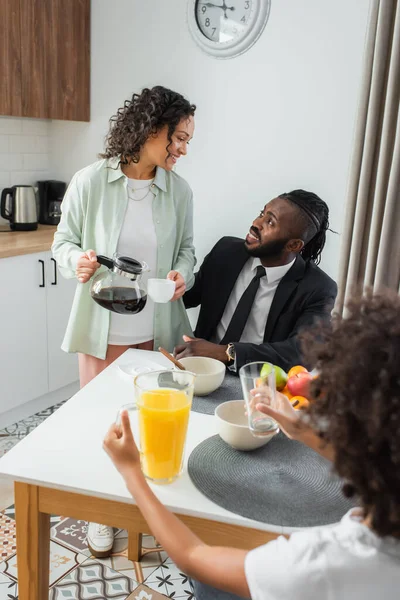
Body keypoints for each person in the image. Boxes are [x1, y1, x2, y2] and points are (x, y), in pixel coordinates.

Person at [104, 291, 400, 599]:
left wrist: (131, 473)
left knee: (211, 581)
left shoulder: (320, 566)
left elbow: (192, 557)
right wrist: (302, 431)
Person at [52, 85, 196, 558]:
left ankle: (145, 511)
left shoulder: (179, 191)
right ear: (151, 130)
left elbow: (187, 251)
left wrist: (182, 274)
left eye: (187, 140)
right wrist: (78, 261)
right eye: (177, 138)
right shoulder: (91, 180)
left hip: (157, 333)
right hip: (103, 329)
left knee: (149, 429)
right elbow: (63, 241)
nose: (182, 149)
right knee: (104, 425)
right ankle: (100, 515)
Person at [175, 190, 337, 372]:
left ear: (293, 245)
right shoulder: (226, 252)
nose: (255, 223)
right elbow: (187, 295)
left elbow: (302, 354)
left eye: (270, 222)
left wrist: (227, 353)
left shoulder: (318, 288)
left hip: (259, 383)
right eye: (262, 214)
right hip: (200, 369)